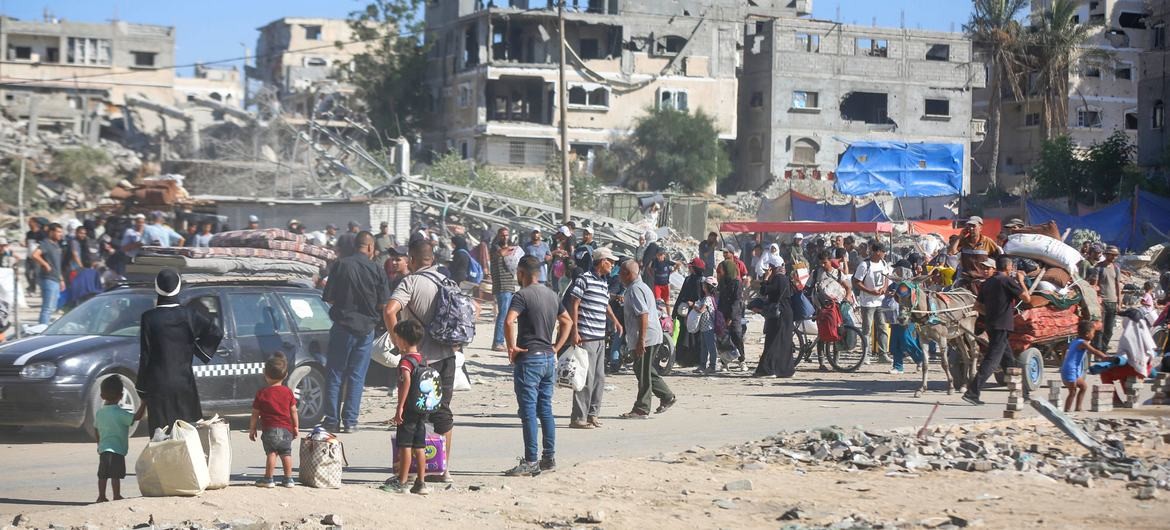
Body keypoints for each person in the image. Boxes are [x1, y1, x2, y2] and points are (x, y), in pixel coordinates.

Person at [384, 239, 464, 483]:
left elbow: (389, 310)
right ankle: (443, 469)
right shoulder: (447, 281)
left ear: (411, 259)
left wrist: (398, 341)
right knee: (443, 412)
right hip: (448, 355)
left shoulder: (410, 282)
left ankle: (410, 472)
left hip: (421, 361)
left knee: (415, 414)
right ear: (433, 259)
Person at [504, 255, 572, 476]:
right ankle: (548, 457)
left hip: (529, 359)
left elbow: (508, 320)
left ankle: (531, 460)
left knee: (529, 412)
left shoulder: (521, 295)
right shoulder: (551, 294)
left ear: (521, 273)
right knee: (546, 409)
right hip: (547, 359)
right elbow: (567, 321)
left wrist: (511, 347)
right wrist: (556, 347)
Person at [136, 269, 224, 433]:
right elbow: (216, 332)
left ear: (157, 287)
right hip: (185, 384)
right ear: (178, 287)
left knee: (162, 436)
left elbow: (145, 356)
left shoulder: (148, 318)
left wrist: (141, 388)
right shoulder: (189, 314)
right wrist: (197, 349)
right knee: (187, 434)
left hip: (158, 386)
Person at [321, 232, 390, 433]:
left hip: (342, 326)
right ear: (370, 247)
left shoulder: (340, 265)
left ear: (355, 246)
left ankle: (331, 420)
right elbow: (383, 303)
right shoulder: (377, 269)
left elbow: (329, 297)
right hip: (366, 329)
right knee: (357, 376)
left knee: (335, 374)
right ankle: (350, 421)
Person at [566, 247, 622, 429]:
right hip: (586, 337)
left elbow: (605, 304)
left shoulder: (603, 282)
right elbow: (574, 304)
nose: (612, 265)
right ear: (601, 261)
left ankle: (593, 414)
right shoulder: (584, 279)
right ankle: (578, 418)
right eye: (610, 261)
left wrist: (615, 321)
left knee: (599, 378)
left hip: (600, 337)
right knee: (586, 378)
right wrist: (575, 331)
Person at [963, 257, 1029, 406]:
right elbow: (1026, 298)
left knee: (1009, 362)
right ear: (1008, 267)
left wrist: (992, 313)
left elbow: (977, 306)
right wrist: (1021, 281)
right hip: (1002, 326)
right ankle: (972, 392)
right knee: (992, 360)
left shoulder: (987, 283)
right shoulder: (1007, 281)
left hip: (991, 325)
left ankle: (1022, 393)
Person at [618, 260, 676, 419]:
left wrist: (641, 340)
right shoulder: (640, 287)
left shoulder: (635, 289)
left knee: (643, 372)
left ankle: (642, 408)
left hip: (646, 336)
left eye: (621, 273)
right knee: (644, 369)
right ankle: (667, 396)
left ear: (628, 274)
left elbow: (643, 314)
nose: (619, 276)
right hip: (651, 335)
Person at [381, 320, 433, 495]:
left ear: (403, 340)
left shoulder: (406, 362)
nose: (395, 341)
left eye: (396, 338)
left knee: (405, 445)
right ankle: (421, 482)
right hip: (422, 408)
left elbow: (406, 382)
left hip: (409, 409)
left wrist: (400, 408)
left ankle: (402, 482)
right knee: (420, 446)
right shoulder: (423, 359)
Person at [248, 352, 299, 488]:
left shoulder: (262, 393)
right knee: (286, 453)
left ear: (265, 374)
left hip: (269, 430)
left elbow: (255, 414)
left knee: (272, 453)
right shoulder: (288, 392)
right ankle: (288, 479)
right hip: (286, 429)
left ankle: (268, 479)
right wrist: (295, 427)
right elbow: (293, 411)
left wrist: (252, 428)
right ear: (286, 375)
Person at [94, 376, 141, 503]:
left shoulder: (100, 413)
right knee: (115, 475)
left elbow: (96, 429)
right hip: (117, 450)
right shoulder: (120, 413)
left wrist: (99, 444)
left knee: (102, 475)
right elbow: (136, 417)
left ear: (102, 396)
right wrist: (144, 403)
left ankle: (101, 496)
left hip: (103, 449)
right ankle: (116, 495)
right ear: (121, 396)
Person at [853, 242, 891, 364]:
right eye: (883, 252)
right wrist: (870, 291)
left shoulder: (883, 263)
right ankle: (866, 355)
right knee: (867, 330)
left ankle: (883, 354)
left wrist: (884, 288)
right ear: (877, 252)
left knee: (882, 328)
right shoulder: (865, 265)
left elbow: (886, 277)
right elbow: (856, 281)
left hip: (880, 301)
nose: (884, 254)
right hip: (868, 303)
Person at [755, 261, 795, 377]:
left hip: (779, 314)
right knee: (784, 342)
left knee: (773, 341)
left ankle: (769, 370)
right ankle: (785, 370)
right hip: (786, 313)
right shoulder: (786, 279)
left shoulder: (778, 279)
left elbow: (764, 291)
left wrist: (766, 278)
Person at [1061, 321, 1111, 412]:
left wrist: (1064, 360)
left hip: (1071, 369)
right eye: (1093, 333)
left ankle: (1078, 408)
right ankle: (1066, 411)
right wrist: (1105, 357)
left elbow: (1064, 347)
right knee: (1072, 392)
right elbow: (1094, 351)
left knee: (1083, 387)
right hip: (1070, 370)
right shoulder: (1083, 343)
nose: (1094, 335)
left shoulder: (1075, 341)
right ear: (1087, 334)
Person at [490, 227, 519, 351]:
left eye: (507, 235)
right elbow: (501, 253)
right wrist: (512, 249)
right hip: (501, 285)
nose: (505, 237)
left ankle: (503, 341)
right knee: (503, 315)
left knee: (507, 315)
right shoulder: (495, 247)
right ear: (498, 236)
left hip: (509, 284)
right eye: (502, 235)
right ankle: (498, 342)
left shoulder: (509, 248)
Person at [30, 223, 65, 324]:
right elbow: (35, 255)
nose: (60, 234)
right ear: (51, 232)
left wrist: (61, 279)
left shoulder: (56, 245)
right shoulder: (46, 243)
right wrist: (45, 264)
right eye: (58, 232)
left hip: (56, 278)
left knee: (52, 307)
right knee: (47, 308)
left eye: (61, 232)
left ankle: (45, 325)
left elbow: (57, 265)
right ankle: (42, 328)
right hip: (48, 278)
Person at [948, 216, 1000, 283]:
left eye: (973, 226)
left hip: (982, 280)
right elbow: (951, 252)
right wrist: (960, 237)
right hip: (966, 280)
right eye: (969, 226)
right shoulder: (964, 241)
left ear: (980, 228)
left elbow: (998, 258)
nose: (971, 228)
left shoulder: (988, 242)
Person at [1096, 245, 1122, 351]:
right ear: (1107, 255)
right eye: (1112, 255)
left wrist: (1119, 303)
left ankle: (1103, 348)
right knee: (1100, 329)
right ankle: (1098, 350)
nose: (1114, 257)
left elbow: (1117, 286)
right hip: (1102, 302)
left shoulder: (1116, 268)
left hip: (1112, 302)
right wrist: (1097, 299)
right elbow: (1094, 285)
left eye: (1116, 255)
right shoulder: (1099, 267)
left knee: (1109, 330)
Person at [694, 277, 719, 374]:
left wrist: (693, 306)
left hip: (708, 327)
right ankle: (702, 365)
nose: (702, 286)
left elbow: (701, 310)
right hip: (705, 327)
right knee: (704, 347)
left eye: (704, 285)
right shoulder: (708, 297)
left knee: (711, 347)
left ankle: (712, 366)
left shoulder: (707, 299)